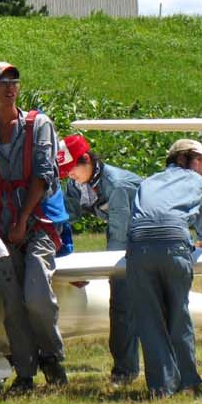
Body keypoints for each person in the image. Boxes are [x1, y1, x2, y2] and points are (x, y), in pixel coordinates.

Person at [0, 62, 67, 393]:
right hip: (0, 231)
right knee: (12, 306)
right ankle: (25, 373)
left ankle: (52, 358)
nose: (10, 87)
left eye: (14, 81)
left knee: (37, 295)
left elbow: (43, 175)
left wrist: (22, 220)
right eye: (3, 81)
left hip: (36, 224)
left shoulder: (39, 125)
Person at [126, 138, 202, 398]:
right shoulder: (198, 182)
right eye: (201, 160)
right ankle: (188, 382)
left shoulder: (147, 182)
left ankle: (161, 387)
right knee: (178, 314)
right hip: (174, 246)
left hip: (138, 248)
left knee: (149, 319)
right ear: (182, 159)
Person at [60, 134, 144, 385]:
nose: (69, 175)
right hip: (122, 232)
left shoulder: (116, 186)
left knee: (122, 300)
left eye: (72, 168)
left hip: (145, 235)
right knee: (121, 302)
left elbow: (118, 242)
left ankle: (125, 371)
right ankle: (127, 368)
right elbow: (65, 215)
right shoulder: (76, 183)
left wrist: (90, 271)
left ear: (86, 159)